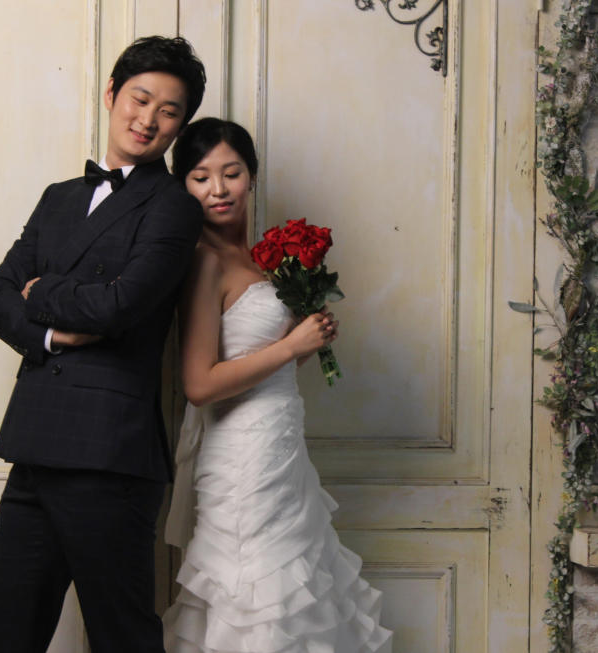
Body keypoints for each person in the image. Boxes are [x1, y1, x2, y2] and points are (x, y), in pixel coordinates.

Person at [0, 36, 205, 653]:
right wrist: (51, 330)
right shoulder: (59, 198)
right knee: (7, 636)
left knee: (122, 636)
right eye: (139, 99)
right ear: (111, 95)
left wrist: (41, 289)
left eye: (170, 111)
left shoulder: (173, 206)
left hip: (109, 453)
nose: (149, 119)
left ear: (180, 126)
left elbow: (121, 304)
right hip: (32, 444)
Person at [161, 118, 393, 652]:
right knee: (257, 595)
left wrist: (306, 346)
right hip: (240, 462)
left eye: (231, 173)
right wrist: (289, 346)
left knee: (298, 592)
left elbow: (267, 366)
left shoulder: (262, 259)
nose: (217, 189)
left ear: (253, 177)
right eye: (199, 178)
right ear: (184, 187)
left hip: (283, 451)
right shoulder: (204, 261)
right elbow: (199, 384)